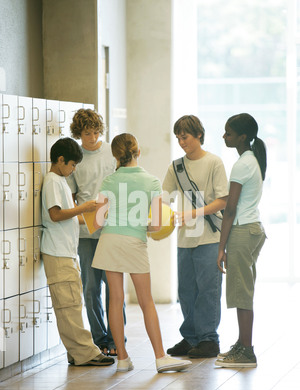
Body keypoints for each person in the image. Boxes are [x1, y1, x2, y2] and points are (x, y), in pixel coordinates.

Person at [91, 133, 192, 373]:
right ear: (138, 152)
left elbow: (97, 220)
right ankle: (160, 357)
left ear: (116, 155)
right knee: (146, 301)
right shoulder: (152, 181)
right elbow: (156, 225)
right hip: (134, 242)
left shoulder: (108, 181)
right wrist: (139, 225)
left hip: (109, 241)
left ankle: (123, 359)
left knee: (115, 300)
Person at [41, 137, 114, 367]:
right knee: (70, 305)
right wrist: (83, 207)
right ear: (60, 160)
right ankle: (88, 353)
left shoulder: (60, 179)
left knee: (71, 304)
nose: (73, 170)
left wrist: (94, 218)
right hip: (59, 252)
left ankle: (77, 353)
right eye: (72, 165)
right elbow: (56, 214)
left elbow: (69, 216)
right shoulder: (53, 180)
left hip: (65, 251)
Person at [163, 115, 228, 359]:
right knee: (187, 290)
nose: (181, 142)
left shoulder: (214, 162)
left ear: (198, 134)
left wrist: (193, 213)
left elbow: (223, 200)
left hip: (210, 237)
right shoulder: (176, 166)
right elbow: (164, 198)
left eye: (185, 137)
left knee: (208, 289)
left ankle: (208, 339)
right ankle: (191, 338)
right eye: (178, 137)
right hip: (185, 238)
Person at [67, 108, 124, 357]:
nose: (92, 138)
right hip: (86, 233)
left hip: (112, 231)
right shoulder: (76, 159)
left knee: (114, 288)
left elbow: (123, 187)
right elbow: (71, 197)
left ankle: (116, 338)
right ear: (78, 134)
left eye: (96, 132)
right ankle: (100, 340)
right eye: (87, 133)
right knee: (91, 288)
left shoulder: (113, 153)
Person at [215, 113, 267, 368]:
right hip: (253, 229)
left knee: (241, 292)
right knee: (243, 290)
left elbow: (230, 209)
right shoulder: (251, 160)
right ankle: (242, 343)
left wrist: (221, 247)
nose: (224, 137)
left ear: (242, 137)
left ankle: (246, 352)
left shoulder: (242, 164)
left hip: (242, 231)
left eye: (229, 133)